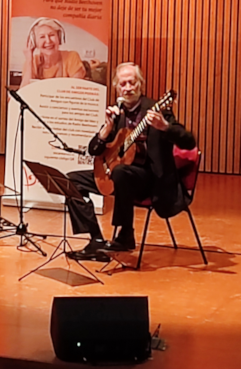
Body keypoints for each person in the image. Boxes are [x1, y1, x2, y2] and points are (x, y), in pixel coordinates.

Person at [66, 62, 196, 260]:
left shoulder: (155, 110)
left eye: (131, 83)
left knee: (121, 173)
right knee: (72, 181)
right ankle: (96, 239)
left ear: (140, 85)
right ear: (117, 88)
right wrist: (105, 132)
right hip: (120, 175)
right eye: (122, 84)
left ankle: (125, 235)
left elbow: (189, 142)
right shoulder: (118, 113)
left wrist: (165, 127)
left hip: (150, 181)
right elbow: (94, 150)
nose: (127, 88)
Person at [20, 18, 86, 88]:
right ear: (34, 42)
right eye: (42, 37)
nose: (48, 41)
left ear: (59, 38)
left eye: (52, 35)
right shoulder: (31, 62)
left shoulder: (72, 57)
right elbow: (24, 93)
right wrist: (29, 59)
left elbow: (77, 91)